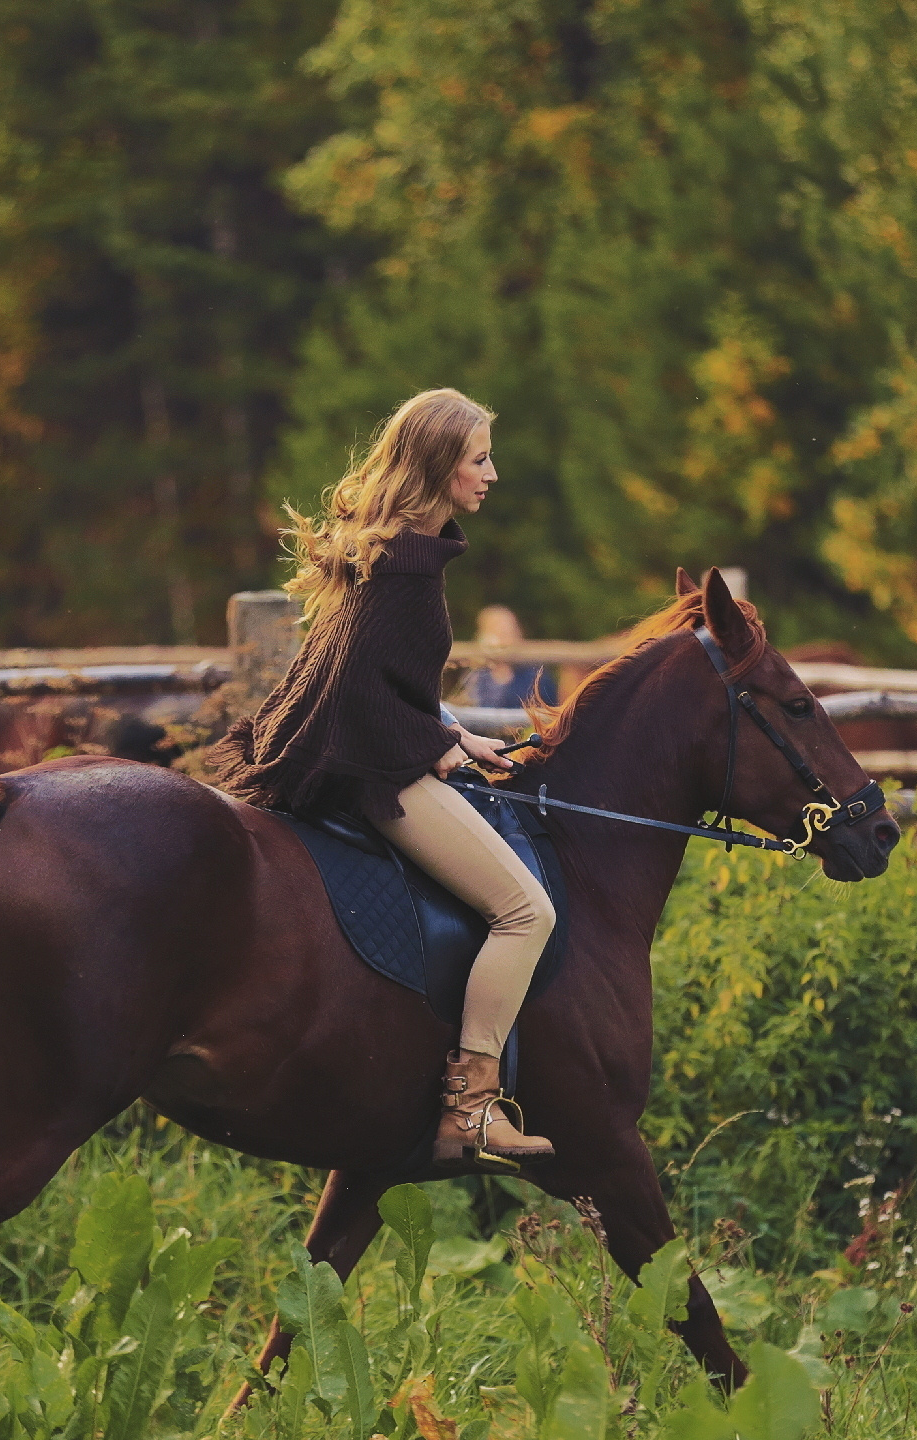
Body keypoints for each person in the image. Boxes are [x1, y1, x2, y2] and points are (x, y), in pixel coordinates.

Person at [206, 388, 558, 1173]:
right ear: (439, 467)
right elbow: (360, 697)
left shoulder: (396, 548)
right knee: (524, 912)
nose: (492, 474)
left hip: (371, 751)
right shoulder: (404, 567)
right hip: (366, 775)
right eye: (479, 459)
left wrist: (454, 732)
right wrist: (432, 743)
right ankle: (470, 1109)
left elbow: (379, 679)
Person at [462, 604, 556, 710]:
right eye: (496, 631)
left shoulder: (535, 675)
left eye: (508, 632)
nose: (503, 640)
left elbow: (548, 710)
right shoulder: (476, 676)